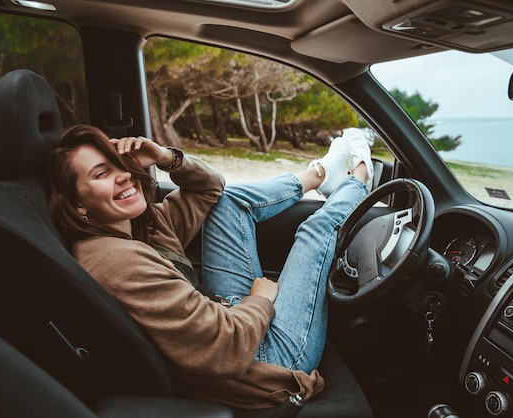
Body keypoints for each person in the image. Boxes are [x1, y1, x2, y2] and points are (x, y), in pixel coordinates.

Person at [45, 124, 373, 410]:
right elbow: (226, 347)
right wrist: (259, 300)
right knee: (315, 232)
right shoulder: (118, 263)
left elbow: (210, 189)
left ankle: (320, 176)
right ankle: (361, 176)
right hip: (260, 362)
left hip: (227, 320)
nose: (124, 175)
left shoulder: (138, 226)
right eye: (101, 174)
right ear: (78, 206)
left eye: (119, 164)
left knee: (229, 201)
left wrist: (165, 157)